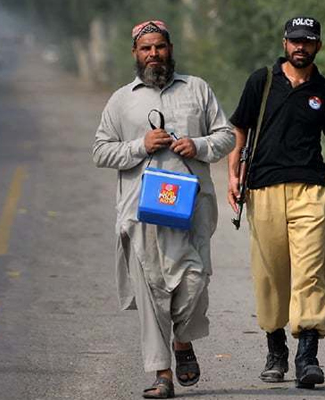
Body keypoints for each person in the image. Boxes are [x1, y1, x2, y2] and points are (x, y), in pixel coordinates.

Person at [92, 20, 234, 399]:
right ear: (135, 54)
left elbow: (227, 136)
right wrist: (140, 145)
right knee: (152, 291)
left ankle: (183, 341)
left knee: (194, 282)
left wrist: (198, 146)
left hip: (191, 210)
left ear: (170, 49)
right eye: (145, 49)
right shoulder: (123, 99)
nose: (153, 54)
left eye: (159, 47)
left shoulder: (197, 89)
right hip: (142, 213)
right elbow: (101, 150)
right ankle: (162, 374)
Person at [227, 15, 325, 389]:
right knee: (270, 274)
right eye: (294, 41)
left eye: (307, 41)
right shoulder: (262, 81)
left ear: (318, 45)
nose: (300, 47)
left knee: (309, 273)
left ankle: (308, 356)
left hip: (309, 191)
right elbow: (240, 128)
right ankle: (276, 349)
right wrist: (233, 175)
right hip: (262, 189)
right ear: (284, 43)